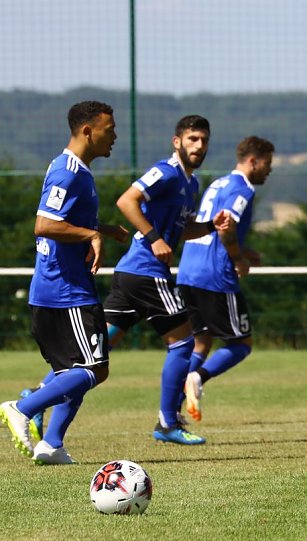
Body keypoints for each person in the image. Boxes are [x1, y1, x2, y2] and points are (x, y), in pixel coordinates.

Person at [0, 100, 128, 464]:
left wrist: (102, 229)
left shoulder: (79, 171)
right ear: (88, 130)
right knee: (94, 370)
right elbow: (44, 225)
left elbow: (63, 220)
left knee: (73, 372)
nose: (115, 135)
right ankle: (23, 407)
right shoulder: (67, 171)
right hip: (64, 292)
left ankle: (52, 444)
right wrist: (92, 234)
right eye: (110, 128)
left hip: (62, 290)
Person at [103, 115, 230, 445]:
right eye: (192, 139)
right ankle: (166, 423)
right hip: (146, 272)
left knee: (95, 350)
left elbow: (183, 230)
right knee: (185, 342)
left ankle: (37, 397)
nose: (199, 146)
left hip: (132, 274)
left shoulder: (191, 184)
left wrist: (211, 226)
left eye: (204, 140)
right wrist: (153, 237)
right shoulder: (167, 171)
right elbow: (126, 200)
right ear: (177, 142)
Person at [176, 136, 274, 422]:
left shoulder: (217, 183)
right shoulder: (243, 188)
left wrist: (245, 250)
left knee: (201, 342)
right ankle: (198, 377)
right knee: (241, 344)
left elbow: (213, 226)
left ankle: (172, 411)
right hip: (215, 275)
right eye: (267, 164)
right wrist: (238, 258)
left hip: (189, 270)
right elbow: (225, 227)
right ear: (253, 161)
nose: (269, 170)